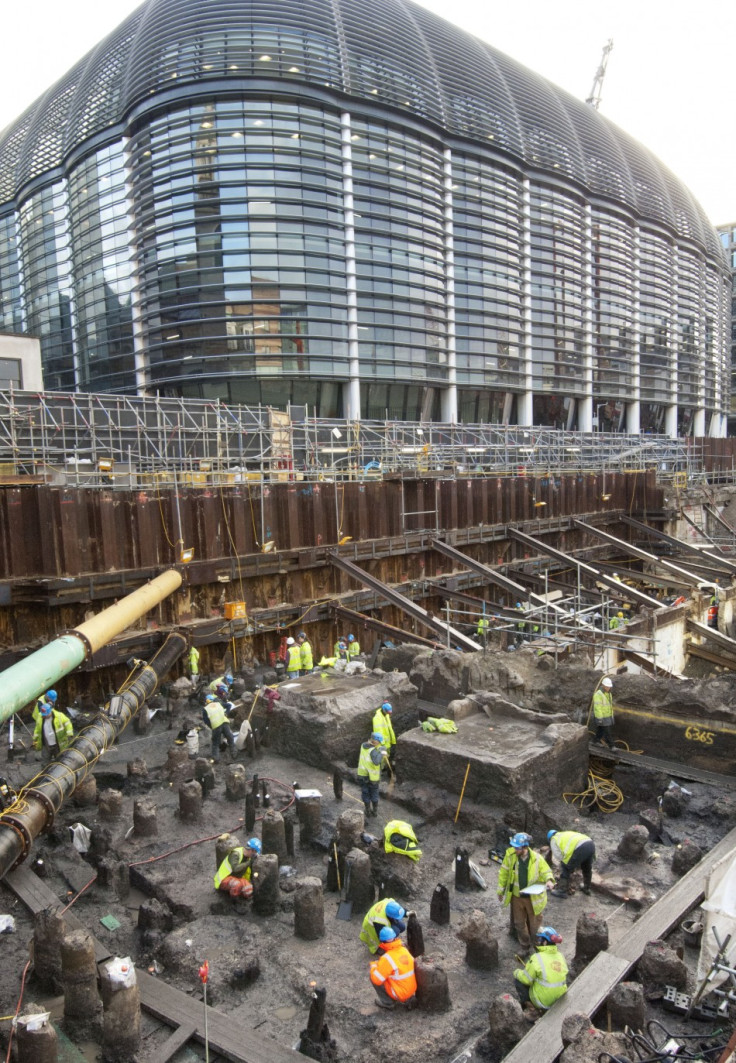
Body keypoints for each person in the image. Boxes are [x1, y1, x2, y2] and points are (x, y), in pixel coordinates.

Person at [497, 832, 555, 953]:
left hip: (532, 898)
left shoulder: (537, 859)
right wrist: (500, 890)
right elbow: (504, 873)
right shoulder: (511, 856)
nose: (515, 849)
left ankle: (537, 946)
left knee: (535, 925)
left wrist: (549, 880)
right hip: (517, 897)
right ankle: (525, 946)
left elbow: (545, 871)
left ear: (525, 847)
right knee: (519, 923)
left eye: (517, 847)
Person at [513, 926, 568, 1017]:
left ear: (545, 942)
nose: (538, 941)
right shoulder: (560, 956)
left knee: (518, 980)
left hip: (544, 1002)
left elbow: (526, 979)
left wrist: (516, 972)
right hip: (559, 998)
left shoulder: (537, 957)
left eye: (540, 939)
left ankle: (532, 1010)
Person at [369, 928, 417, 1009]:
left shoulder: (387, 958)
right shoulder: (404, 949)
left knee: (373, 975)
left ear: (382, 941)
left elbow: (376, 980)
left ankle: (388, 1003)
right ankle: (408, 998)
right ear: (395, 938)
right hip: (412, 989)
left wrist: (373, 966)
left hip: (400, 993)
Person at [547, 829, 596, 897]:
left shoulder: (553, 839)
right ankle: (586, 888)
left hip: (581, 847)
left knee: (565, 868)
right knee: (587, 868)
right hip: (590, 844)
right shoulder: (564, 833)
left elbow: (558, 856)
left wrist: (566, 864)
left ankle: (561, 891)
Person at [357, 732, 388, 818]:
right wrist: (382, 752)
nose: (380, 744)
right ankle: (374, 811)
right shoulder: (373, 751)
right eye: (379, 742)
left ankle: (367, 810)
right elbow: (376, 761)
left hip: (362, 775)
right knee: (374, 793)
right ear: (376, 741)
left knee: (365, 792)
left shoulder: (363, 745)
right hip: (372, 778)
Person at [202, 693, 236, 763]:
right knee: (230, 738)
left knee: (215, 743)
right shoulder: (218, 703)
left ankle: (216, 758)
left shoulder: (205, 709)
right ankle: (234, 754)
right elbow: (229, 705)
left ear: (206, 701)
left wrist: (212, 726)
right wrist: (226, 713)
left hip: (216, 726)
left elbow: (206, 721)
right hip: (224, 723)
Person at [591, 676, 615, 748]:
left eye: (609, 687)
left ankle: (595, 741)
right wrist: (600, 718)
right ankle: (612, 746)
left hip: (607, 716)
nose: (608, 688)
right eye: (607, 686)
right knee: (607, 731)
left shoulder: (609, 694)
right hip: (601, 716)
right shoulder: (598, 694)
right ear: (603, 685)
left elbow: (609, 706)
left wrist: (611, 716)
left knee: (600, 730)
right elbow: (597, 707)